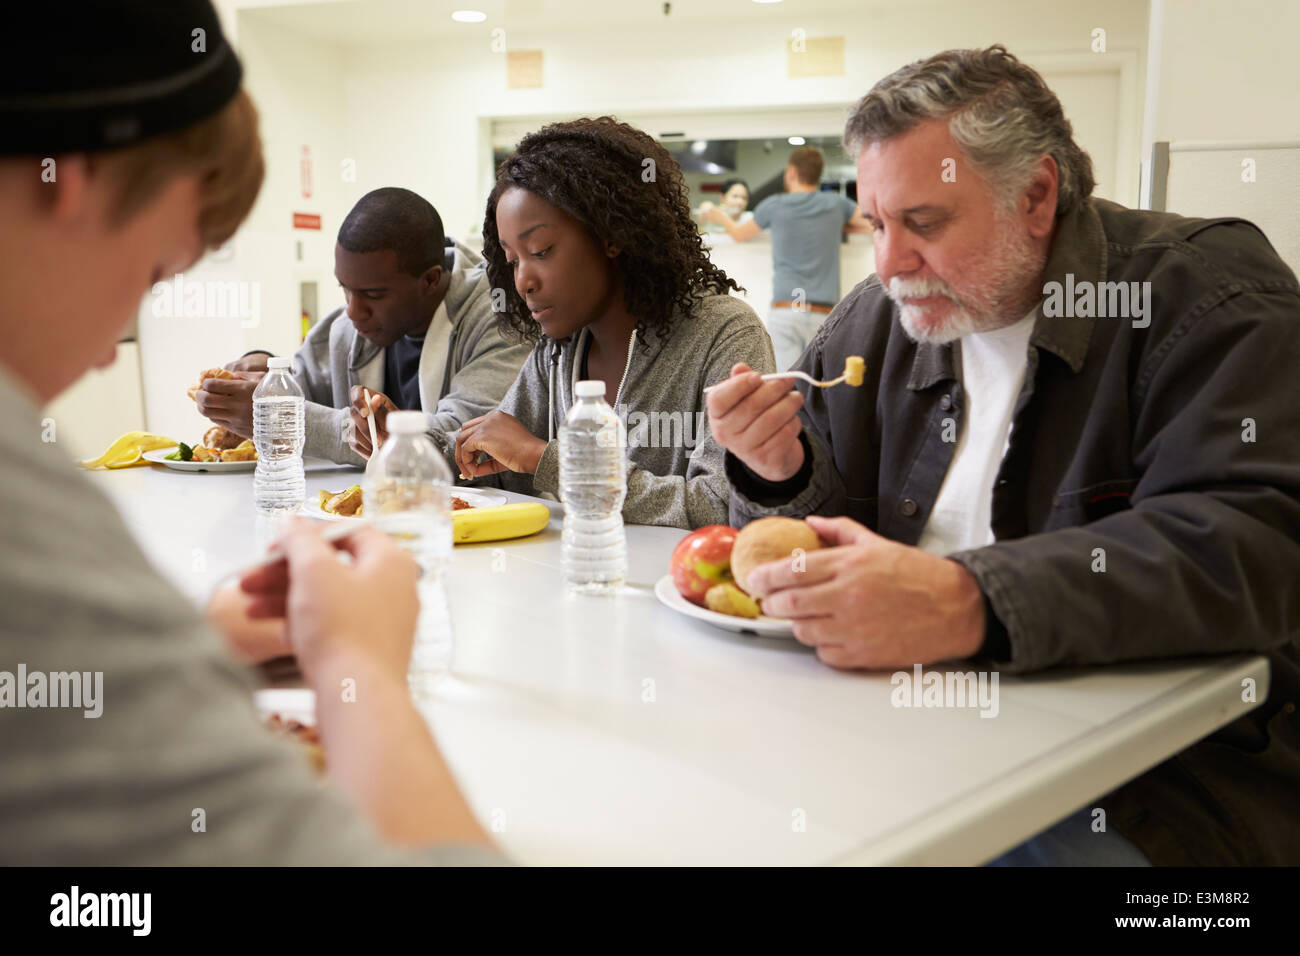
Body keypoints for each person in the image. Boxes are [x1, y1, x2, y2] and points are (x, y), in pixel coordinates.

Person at [707, 45, 1300, 866]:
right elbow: (822, 539)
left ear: (1037, 195)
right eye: (876, 224)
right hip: (898, 737)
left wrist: (966, 600)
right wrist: (780, 472)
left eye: (925, 222)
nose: (889, 264)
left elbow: (1250, 547)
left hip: (1155, 787)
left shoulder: (1202, 294)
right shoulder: (874, 322)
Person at [0, 0, 504, 865]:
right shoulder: (23, 511)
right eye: (156, 273)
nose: (99, 356)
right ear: (66, 181)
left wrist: (175, 657)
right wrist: (361, 664)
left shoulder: (493, 320)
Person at [453, 117, 776, 529]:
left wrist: (546, 459)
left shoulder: (726, 335)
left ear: (611, 235)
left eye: (541, 250)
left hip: (671, 590)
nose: (523, 282)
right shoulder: (559, 347)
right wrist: (409, 442)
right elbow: (501, 457)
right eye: (513, 260)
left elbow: (720, 506)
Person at [196, 187, 531, 465]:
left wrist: (286, 421)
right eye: (345, 288)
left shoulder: (501, 319)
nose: (354, 311)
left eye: (373, 294)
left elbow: (461, 446)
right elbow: (305, 387)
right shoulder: (348, 327)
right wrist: (263, 370)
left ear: (429, 280)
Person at [703, 147, 871, 370]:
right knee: (822, 385)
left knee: (785, 384)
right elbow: (872, 224)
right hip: (824, 313)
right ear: (818, 174)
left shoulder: (773, 205)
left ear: (791, 172)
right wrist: (841, 227)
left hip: (787, 309)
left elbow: (738, 234)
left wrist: (718, 215)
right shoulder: (836, 205)